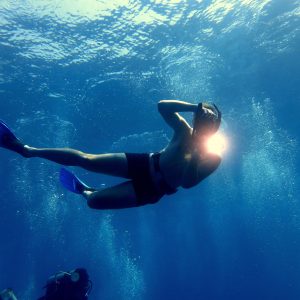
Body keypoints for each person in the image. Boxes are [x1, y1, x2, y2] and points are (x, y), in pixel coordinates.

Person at [0, 100, 222, 209]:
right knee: (86, 159)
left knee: (94, 203)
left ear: (215, 127)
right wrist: (195, 106)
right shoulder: (184, 129)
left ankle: (87, 191)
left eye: (211, 120)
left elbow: (188, 183)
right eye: (203, 116)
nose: (204, 121)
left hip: (154, 189)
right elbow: (162, 106)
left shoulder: (212, 157)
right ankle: (28, 150)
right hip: (144, 163)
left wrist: (196, 152)